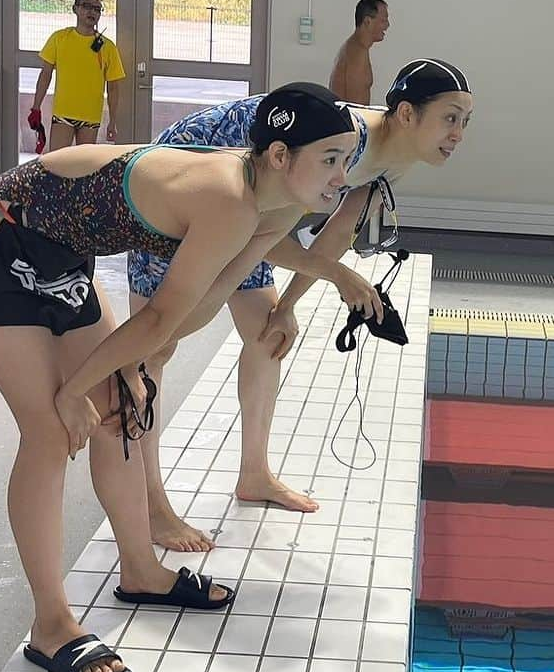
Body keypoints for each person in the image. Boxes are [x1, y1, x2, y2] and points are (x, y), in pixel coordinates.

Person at [0, 83, 382, 672]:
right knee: (49, 427)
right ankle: (51, 624)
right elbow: (158, 318)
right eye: (330, 159)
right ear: (280, 156)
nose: (342, 175)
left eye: (346, 160)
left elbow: (197, 308)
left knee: (125, 406)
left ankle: (142, 571)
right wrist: (80, 387)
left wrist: (126, 369)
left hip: (63, 250)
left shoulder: (274, 204)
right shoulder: (228, 196)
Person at [128, 58, 473, 552]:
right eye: (450, 117)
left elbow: (332, 236)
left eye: (465, 121)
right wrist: (338, 277)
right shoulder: (342, 142)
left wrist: (288, 305)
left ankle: (254, 475)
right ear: (406, 115)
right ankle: (151, 505)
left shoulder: (399, 160)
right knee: (152, 352)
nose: (459, 133)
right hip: (188, 181)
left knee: (270, 336)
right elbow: (262, 231)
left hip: (255, 212)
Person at [28, 0, 125, 151]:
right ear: (75, 9)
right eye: (87, 6)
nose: (92, 12)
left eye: (97, 9)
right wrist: (36, 106)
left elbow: (113, 87)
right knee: (57, 164)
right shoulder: (59, 38)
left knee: (83, 169)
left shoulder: (107, 47)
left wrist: (112, 121)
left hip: (90, 117)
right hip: (63, 114)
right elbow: (45, 74)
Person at [329, 0, 389, 104]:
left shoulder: (354, 47)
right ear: (367, 21)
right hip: (348, 119)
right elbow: (355, 107)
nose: (387, 25)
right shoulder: (357, 53)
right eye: (383, 20)